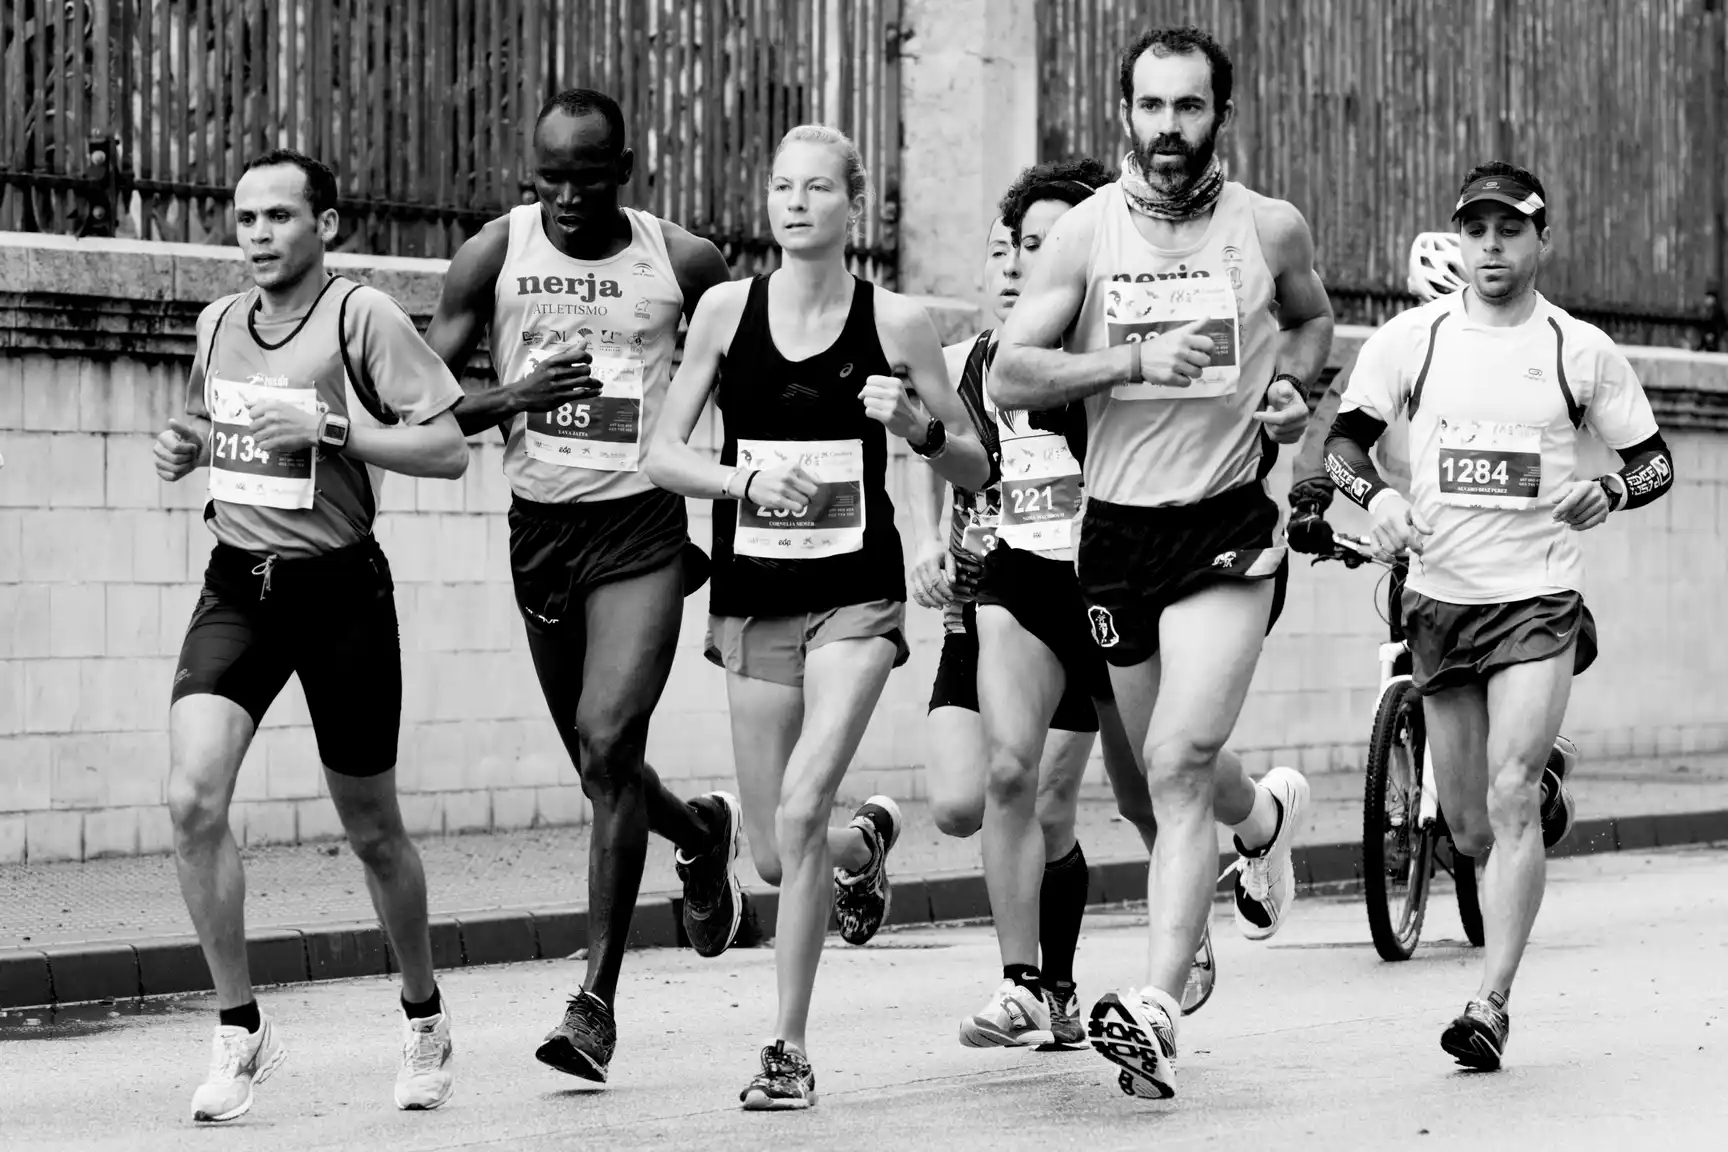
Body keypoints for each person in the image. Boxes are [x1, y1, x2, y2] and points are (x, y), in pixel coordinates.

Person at [991, 26, 1329, 1101]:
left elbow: (1316, 322)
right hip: (1117, 535)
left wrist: (1296, 392)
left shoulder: (1267, 228)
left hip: (1228, 523)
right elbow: (1010, 377)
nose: (1170, 129)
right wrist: (1133, 358)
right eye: (1152, 108)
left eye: (1189, 108)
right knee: (1172, 770)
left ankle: (1152, 1009)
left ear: (1220, 112)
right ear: (1125, 114)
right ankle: (1266, 821)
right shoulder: (1085, 235)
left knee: (1178, 763)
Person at [647, 123, 992, 1109]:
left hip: (856, 595)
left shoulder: (898, 324)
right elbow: (663, 456)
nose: (794, 204)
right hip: (755, 597)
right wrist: (742, 482)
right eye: (781, 187)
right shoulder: (722, 313)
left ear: (855, 205)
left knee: (798, 808)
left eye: (816, 189)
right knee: (770, 848)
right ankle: (864, 849)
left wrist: (915, 425)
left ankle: (785, 1050)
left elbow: (971, 460)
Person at [423, 88, 747, 1084]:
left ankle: (595, 1003)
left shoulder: (682, 263)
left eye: (587, 176)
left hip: (641, 528)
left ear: (625, 167)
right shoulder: (495, 252)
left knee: (610, 742)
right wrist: (511, 398)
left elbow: (746, 412)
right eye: (550, 176)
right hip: (542, 532)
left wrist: (736, 554)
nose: (567, 197)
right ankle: (698, 833)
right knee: (594, 762)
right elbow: (423, 406)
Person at [1324, 161, 1672, 1070]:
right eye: (1475, 230)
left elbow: (1656, 461)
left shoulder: (1576, 349)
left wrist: (1610, 489)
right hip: (1440, 599)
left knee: (1511, 797)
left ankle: (1491, 1000)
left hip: (1537, 599)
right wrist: (1376, 501)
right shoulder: (1413, 339)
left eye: (1509, 231)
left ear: (1540, 240)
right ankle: (1527, 802)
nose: (1490, 247)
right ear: (1460, 237)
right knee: (1470, 828)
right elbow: (1344, 442)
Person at [151, 148, 470, 1121]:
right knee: (192, 797)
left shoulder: (359, 316)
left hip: (341, 591)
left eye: (279, 217)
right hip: (239, 587)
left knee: (372, 830)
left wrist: (340, 435)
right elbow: (211, 428)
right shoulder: (219, 322)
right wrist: (183, 446)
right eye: (245, 217)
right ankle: (240, 1029)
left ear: (324, 226)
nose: (256, 234)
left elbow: (449, 448)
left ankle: (423, 1016)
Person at [909, 160, 1217, 1054]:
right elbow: (948, 452)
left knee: (1145, 789)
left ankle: (1191, 908)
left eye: (1043, 245)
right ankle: (1027, 985)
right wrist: (932, 539)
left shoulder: (1128, 348)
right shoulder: (984, 361)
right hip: (1021, 576)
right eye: (1015, 245)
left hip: (1115, 578)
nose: (1023, 263)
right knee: (1011, 777)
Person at [1289, 231, 1579, 850]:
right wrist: (1310, 505)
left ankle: (1531, 748)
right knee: (1418, 648)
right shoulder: (1392, 354)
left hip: (1497, 552)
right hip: (1407, 540)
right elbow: (1328, 435)